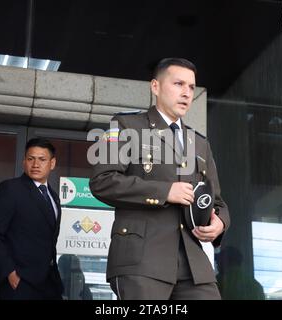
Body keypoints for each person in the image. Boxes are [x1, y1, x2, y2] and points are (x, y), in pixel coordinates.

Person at [89, 57, 230, 299]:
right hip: (142, 259)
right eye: (178, 84)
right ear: (155, 86)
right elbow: (103, 180)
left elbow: (217, 201)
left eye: (191, 87)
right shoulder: (124, 124)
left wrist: (220, 224)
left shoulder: (199, 142)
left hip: (194, 265)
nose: (186, 93)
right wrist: (165, 192)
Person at [0, 138, 63, 300]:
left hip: (49, 283)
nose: (35, 164)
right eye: (30, 159)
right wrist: (10, 274)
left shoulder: (54, 197)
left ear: (52, 163)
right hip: (21, 282)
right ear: (23, 161)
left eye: (42, 159)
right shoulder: (10, 189)